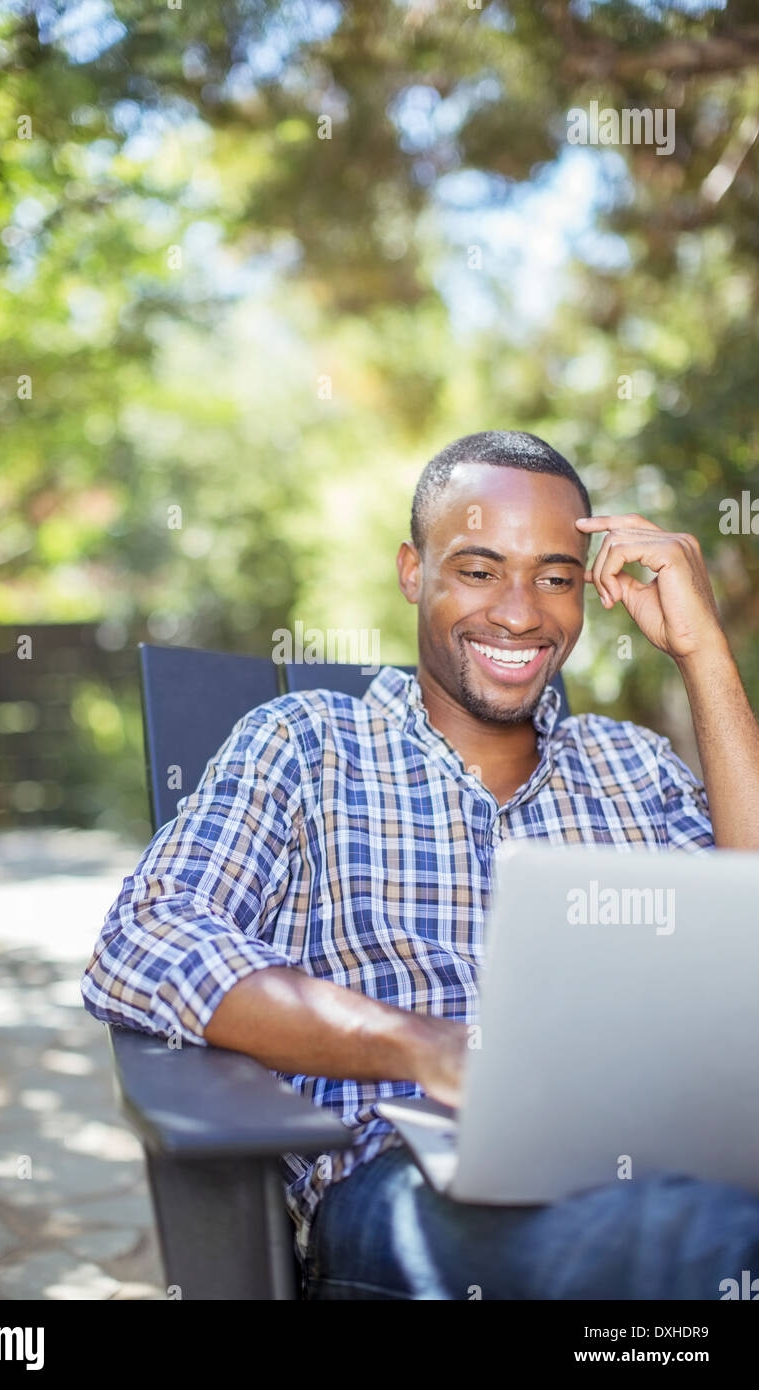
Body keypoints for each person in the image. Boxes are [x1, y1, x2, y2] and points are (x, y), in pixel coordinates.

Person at [81, 430, 759, 1299]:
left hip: (661, 1153)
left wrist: (705, 654)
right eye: (479, 570)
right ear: (414, 572)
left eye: (555, 577)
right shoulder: (306, 745)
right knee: (705, 1245)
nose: (520, 613)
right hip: (416, 1188)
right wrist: (428, 1048)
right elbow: (142, 937)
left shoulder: (635, 766)